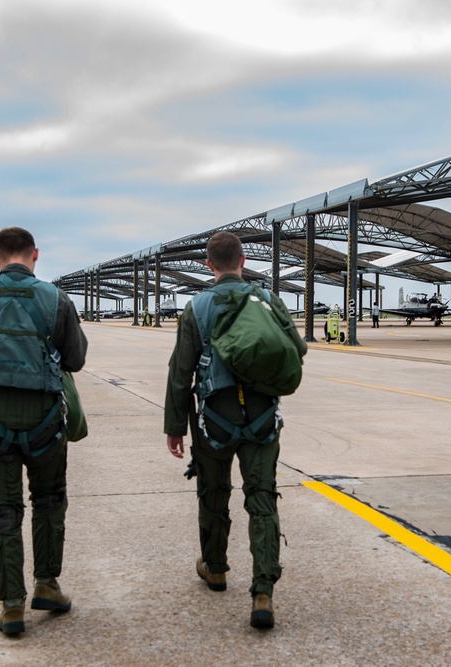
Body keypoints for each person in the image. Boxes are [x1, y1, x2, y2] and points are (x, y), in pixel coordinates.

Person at [0, 227, 88, 635]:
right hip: (45, 420)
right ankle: (47, 584)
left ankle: (11, 606)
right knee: (49, 499)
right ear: (35, 255)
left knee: (3, 509)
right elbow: (75, 360)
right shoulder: (57, 299)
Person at [164, 231, 307, 630]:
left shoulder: (196, 307)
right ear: (243, 261)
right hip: (262, 415)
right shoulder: (268, 299)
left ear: (209, 265)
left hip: (215, 418)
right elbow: (298, 348)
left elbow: (180, 374)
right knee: (262, 497)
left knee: (214, 493)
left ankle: (216, 568)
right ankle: (263, 591)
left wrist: (175, 426)